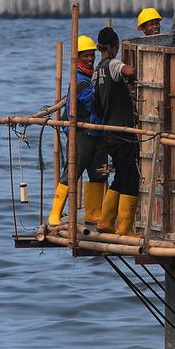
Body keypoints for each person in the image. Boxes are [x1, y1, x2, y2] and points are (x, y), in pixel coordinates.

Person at [48, 35, 108, 226]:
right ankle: (55, 215)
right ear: (78, 58)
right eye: (86, 56)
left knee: (98, 173)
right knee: (72, 172)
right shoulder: (81, 80)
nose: (90, 59)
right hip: (82, 135)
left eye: (92, 55)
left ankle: (93, 214)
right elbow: (94, 105)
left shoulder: (92, 76)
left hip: (97, 133)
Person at [92, 27, 140, 236]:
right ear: (113, 46)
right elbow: (129, 71)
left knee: (120, 175)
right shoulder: (112, 64)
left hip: (108, 132)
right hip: (122, 131)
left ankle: (106, 221)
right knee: (131, 177)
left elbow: (97, 104)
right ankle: (125, 228)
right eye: (118, 46)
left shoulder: (96, 71)